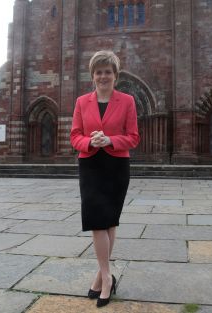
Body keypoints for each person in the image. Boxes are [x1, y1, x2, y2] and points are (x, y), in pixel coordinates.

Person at [70, 50, 140, 308]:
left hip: (116, 164)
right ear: (92, 76)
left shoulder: (127, 101)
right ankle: (107, 276)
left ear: (115, 75)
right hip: (90, 163)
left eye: (107, 72)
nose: (103, 76)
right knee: (96, 221)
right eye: (98, 72)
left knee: (109, 221)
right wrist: (90, 141)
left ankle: (101, 276)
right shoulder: (81, 102)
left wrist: (110, 139)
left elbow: (133, 137)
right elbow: (75, 135)